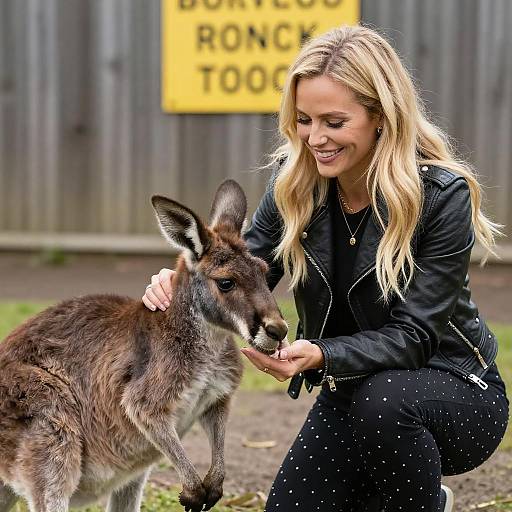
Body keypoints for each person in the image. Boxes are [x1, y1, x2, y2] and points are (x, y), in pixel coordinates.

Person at [142, 25, 509, 512]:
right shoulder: (294, 185)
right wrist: (186, 287)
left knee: (385, 402)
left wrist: (319, 354)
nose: (315, 138)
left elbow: (416, 336)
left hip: (454, 390)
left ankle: (415, 496)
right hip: (352, 389)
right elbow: (246, 273)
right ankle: (398, 489)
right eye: (304, 120)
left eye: (334, 122)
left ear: (380, 116)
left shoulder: (442, 195)